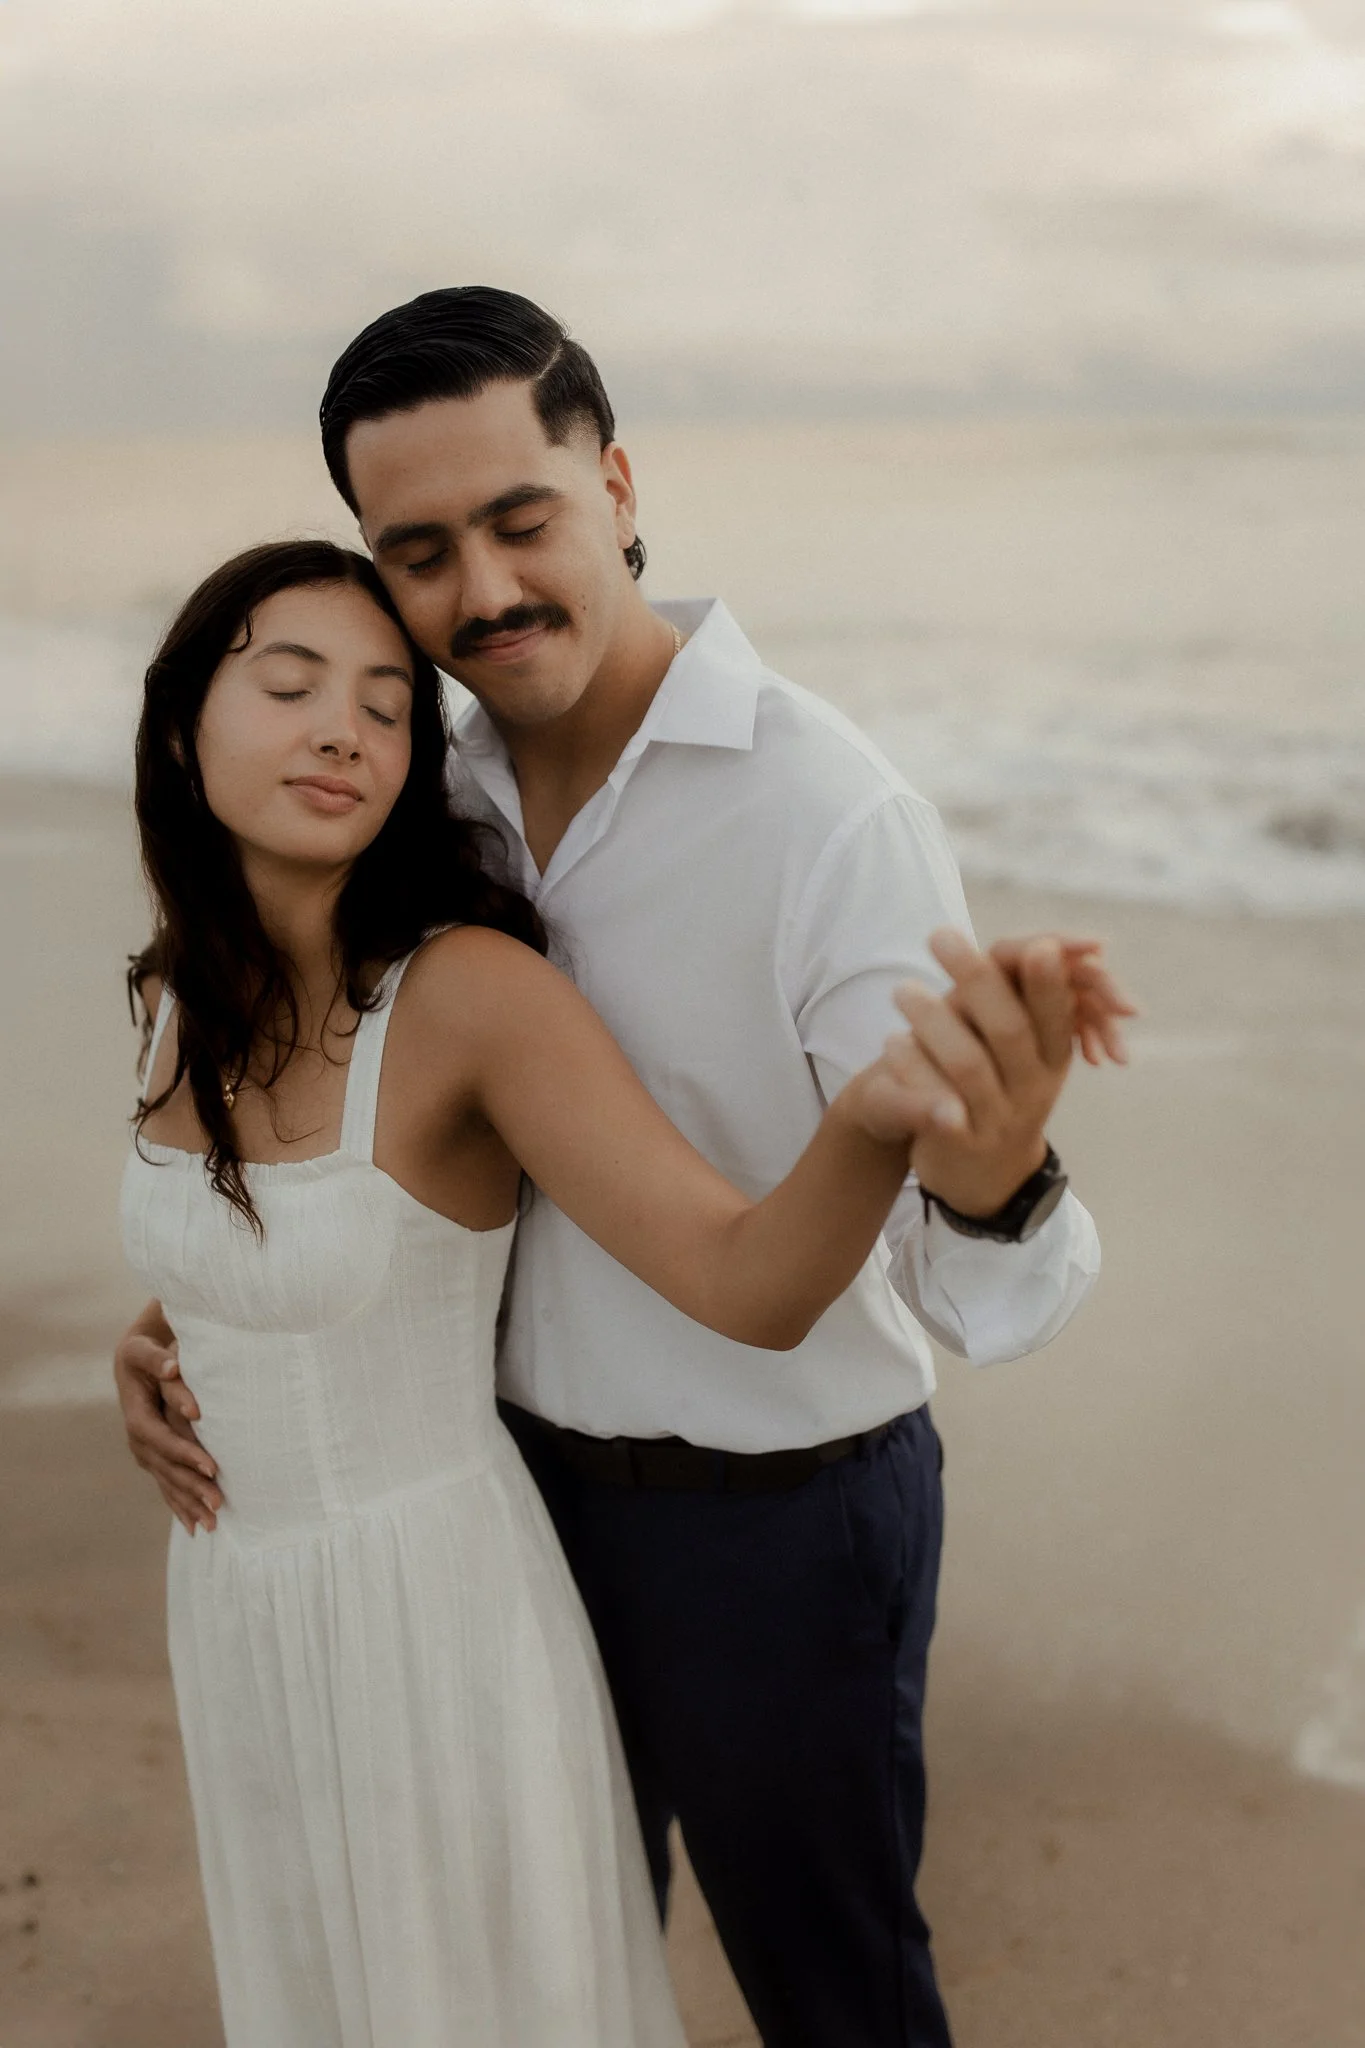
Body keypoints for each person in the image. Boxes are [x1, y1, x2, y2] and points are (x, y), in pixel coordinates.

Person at [117, 289, 1131, 2048]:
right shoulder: (423, 791)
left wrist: (990, 1164)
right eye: (422, 552)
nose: (485, 588)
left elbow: (974, 1279)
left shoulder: (826, 813)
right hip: (495, 1502)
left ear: (619, 486)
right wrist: (207, 1319)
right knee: (552, 1972)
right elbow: (358, 1136)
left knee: (835, 1999)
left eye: (523, 519)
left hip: (771, 1524)